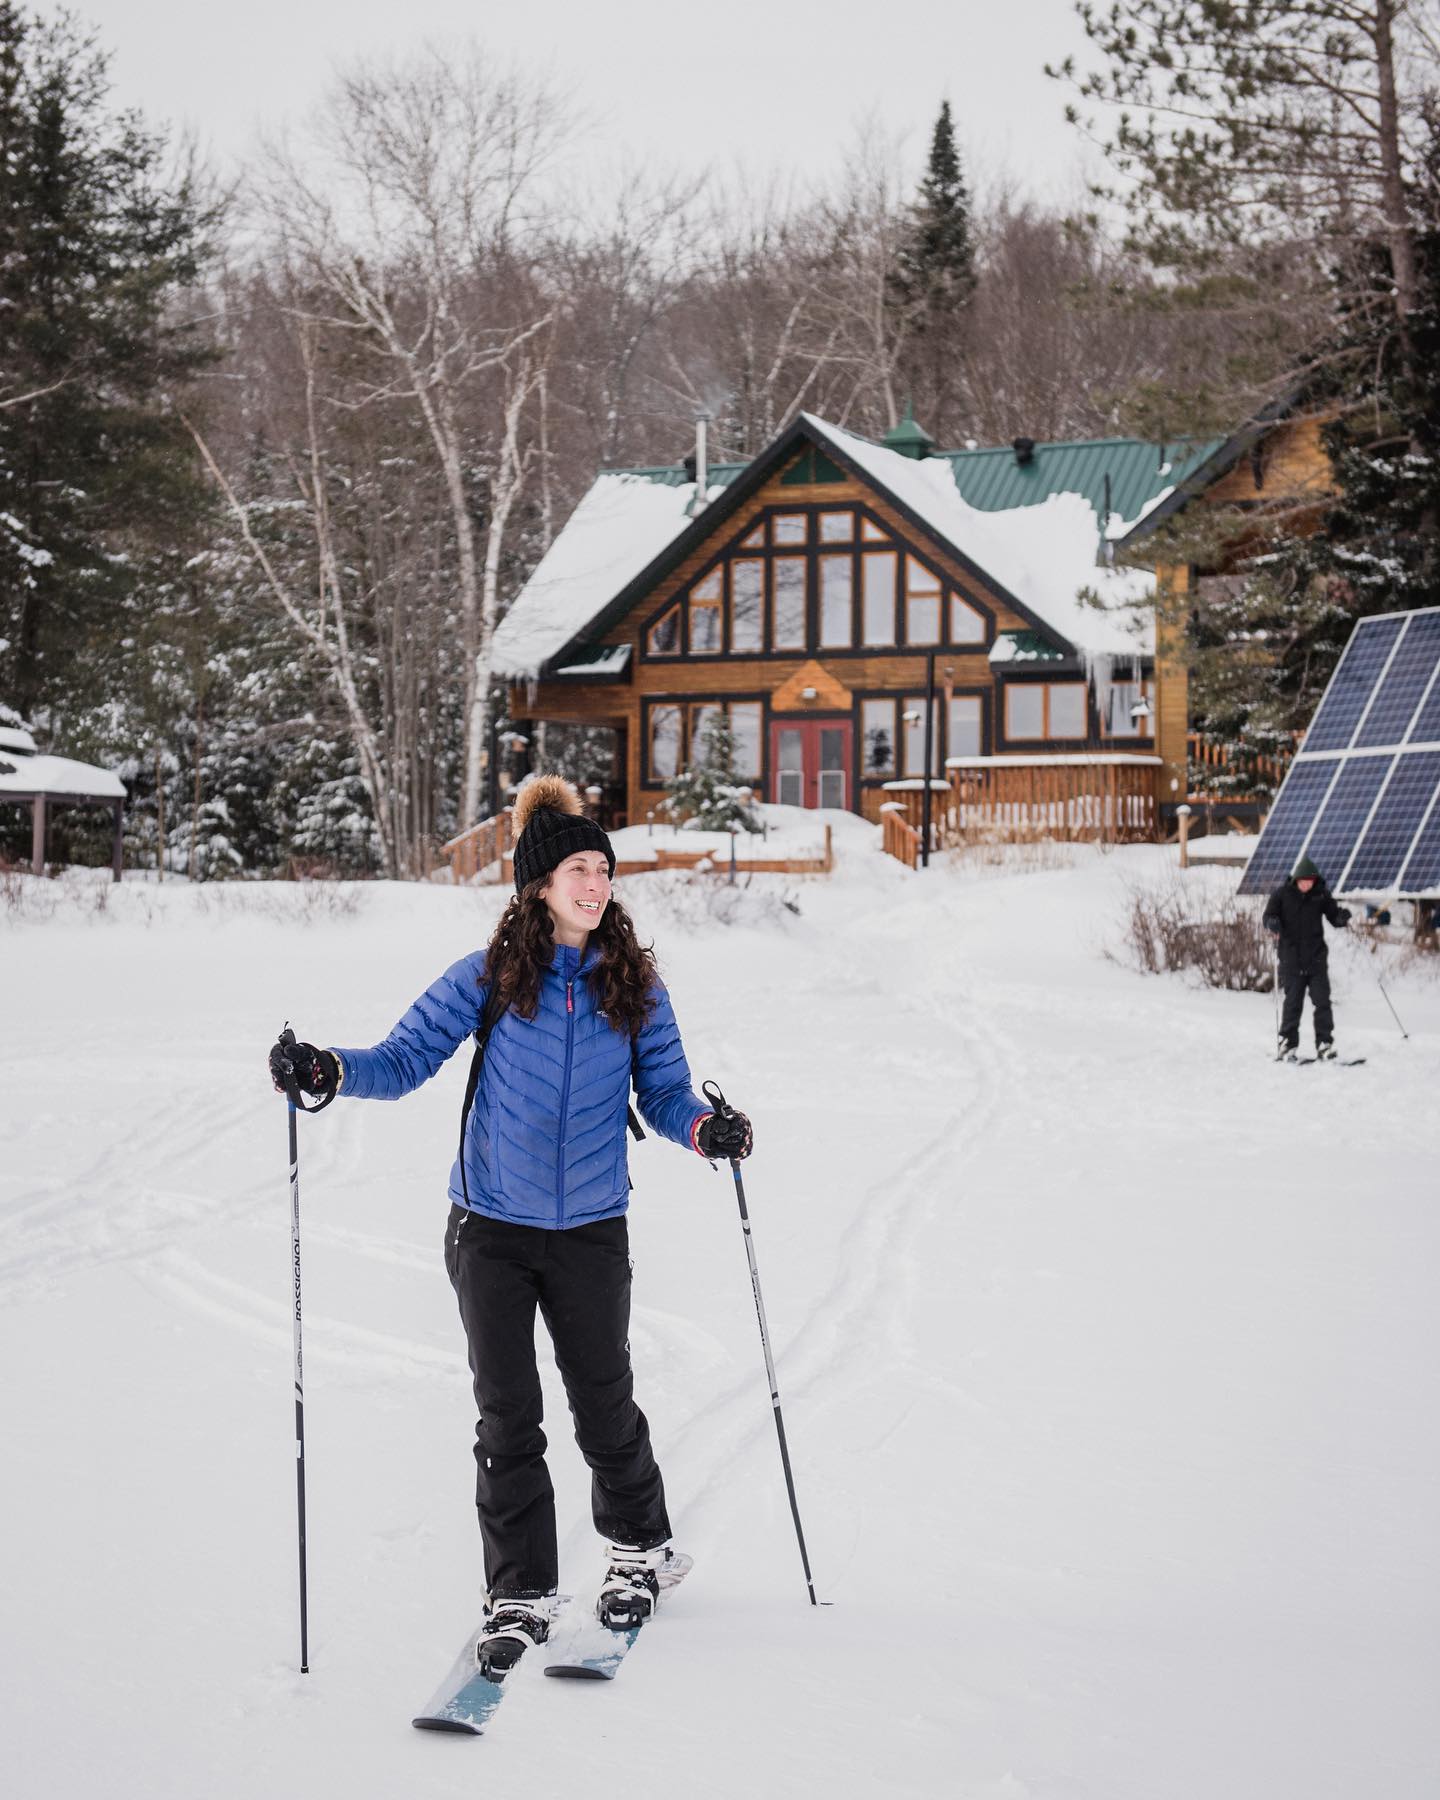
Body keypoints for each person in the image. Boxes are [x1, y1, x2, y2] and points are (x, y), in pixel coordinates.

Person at [267, 774, 753, 1675]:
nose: (597, 883)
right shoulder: (491, 975)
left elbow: (669, 1090)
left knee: (603, 1405)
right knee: (507, 1417)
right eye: (579, 867)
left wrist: (704, 1129)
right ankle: (521, 1588)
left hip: (591, 1230)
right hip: (489, 1225)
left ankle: (641, 1547)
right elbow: (406, 1057)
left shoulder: (633, 984)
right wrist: (328, 1067)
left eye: (604, 870)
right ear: (539, 883)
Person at [1263, 853, 1352, 1061]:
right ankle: (1287, 1043)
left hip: (1316, 960)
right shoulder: (1282, 894)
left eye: (1310, 882)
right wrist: (1272, 923)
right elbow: (1268, 916)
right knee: (1293, 1003)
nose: (1306, 886)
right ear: (1296, 879)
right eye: (1303, 882)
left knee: (1322, 1002)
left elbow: (1333, 915)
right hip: (1291, 959)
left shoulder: (1320, 895)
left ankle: (1324, 1043)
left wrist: (1341, 917)